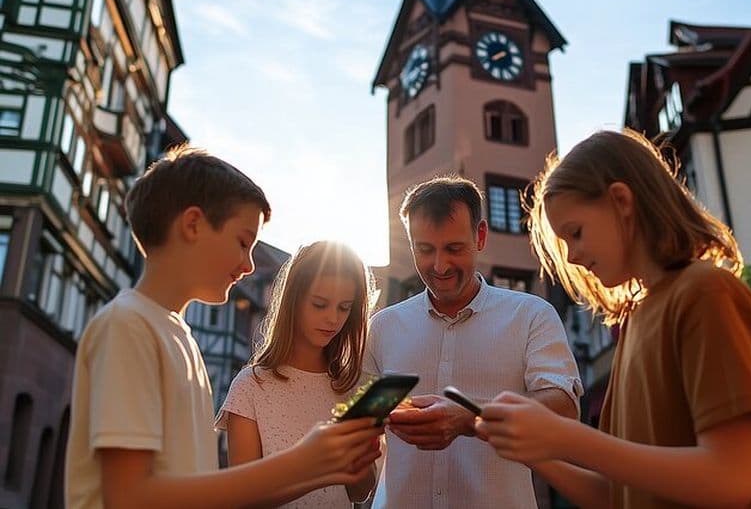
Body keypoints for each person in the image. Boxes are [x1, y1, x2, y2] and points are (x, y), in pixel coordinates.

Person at [476, 129, 751, 508]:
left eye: (575, 234)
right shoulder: (635, 322)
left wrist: (563, 437)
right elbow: (618, 496)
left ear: (621, 201)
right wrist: (536, 452)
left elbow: (730, 479)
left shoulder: (704, 294)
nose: (573, 257)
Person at [65, 146, 383, 509]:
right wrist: (303, 463)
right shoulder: (128, 326)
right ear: (193, 225)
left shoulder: (178, 336)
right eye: (244, 241)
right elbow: (129, 497)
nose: (249, 265)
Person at [365, 175, 582, 508]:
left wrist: (472, 417)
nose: (440, 266)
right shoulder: (382, 327)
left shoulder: (530, 315)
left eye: (454, 248)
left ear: (480, 236)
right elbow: (359, 422)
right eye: (424, 250)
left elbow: (565, 409)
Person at [215, 240, 379, 507]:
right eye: (319, 304)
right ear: (293, 300)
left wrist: (360, 459)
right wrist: (316, 467)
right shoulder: (250, 387)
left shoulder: (352, 388)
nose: (333, 319)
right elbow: (243, 499)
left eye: (344, 307)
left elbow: (359, 494)